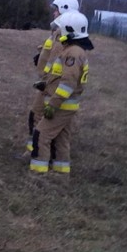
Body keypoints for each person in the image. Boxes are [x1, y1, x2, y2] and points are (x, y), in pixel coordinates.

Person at [30, 10, 94, 175]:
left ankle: (38, 172)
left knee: (41, 134)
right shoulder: (75, 50)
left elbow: (68, 83)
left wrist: (53, 104)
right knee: (62, 139)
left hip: (62, 105)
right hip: (68, 105)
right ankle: (61, 173)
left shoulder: (72, 53)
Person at [20, 0, 80, 157]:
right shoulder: (57, 31)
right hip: (46, 83)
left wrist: (47, 82)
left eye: (56, 10)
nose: (54, 14)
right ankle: (35, 150)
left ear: (65, 11)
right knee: (36, 114)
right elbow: (50, 51)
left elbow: (58, 61)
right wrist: (40, 54)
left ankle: (39, 152)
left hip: (51, 86)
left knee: (41, 117)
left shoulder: (65, 34)